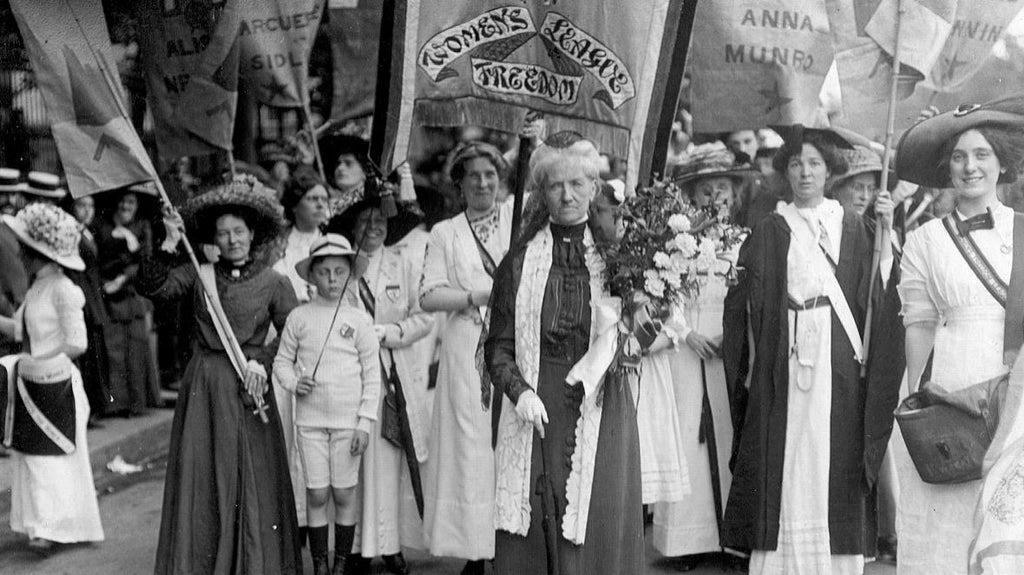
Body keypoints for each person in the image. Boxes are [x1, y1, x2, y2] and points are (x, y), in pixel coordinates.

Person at [721, 125, 903, 574]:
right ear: (786, 171)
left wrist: (886, 233)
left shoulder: (854, 226)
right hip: (785, 350)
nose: (805, 172)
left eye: (815, 164)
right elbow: (743, 302)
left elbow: (878, 292)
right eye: (796, 163)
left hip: (839, 355)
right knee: (786, 451)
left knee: (834, 450)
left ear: (829, 171)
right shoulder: (770, 229)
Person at [485, 139, 644, 574]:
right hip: (540, 400)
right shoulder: (519, 263)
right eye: (556, 186)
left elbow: (645, 332)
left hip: (601, 401)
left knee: (596, 516)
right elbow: (498, 346)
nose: (567, 195)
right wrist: (519, 393)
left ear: (594, 187)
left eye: (577, 183)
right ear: (542, 194)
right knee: (537, 518)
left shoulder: (620, 259)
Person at [140, 176, 302, 575]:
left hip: (250, 385)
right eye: (223, 233)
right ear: (214, 238)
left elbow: (295, 332)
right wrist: (169, 241)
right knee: (206, 473)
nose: (232, 240)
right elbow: (154, 288)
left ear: (253, 235)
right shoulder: (200, 274)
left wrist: (261, 361)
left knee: (251, 474)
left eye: (239, 232)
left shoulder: (274, 282)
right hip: (206, 385)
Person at [890, 99, 1024, 574]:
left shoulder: (1022, 230)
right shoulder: (925, 239)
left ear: (1002, 161)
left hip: (1014, 386)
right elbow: (919, 323)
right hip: (951, 386)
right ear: (947, 167)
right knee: (946, 514)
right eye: (960, 157)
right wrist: (918, 401)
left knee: (1006, 519)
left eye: (982, 154)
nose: (970, 167)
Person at [652, 144, 754, 571]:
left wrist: (730, 336)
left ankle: (730, 540)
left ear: (734, 194)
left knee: (731, 433)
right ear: (692, 197)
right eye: (706, 190)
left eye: (723, 189)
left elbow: (751, 300)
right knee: (686, 438)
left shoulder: (745, 242)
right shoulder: (677, 243)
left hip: (729, 348)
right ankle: (685, 542)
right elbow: (661, 295)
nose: (715, 198)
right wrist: (686, 332)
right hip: (687, 346)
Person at [420, 141, 513, 575]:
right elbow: (428, 294)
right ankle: (477, 550)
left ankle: (511, 545)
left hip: (515, 345)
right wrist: (475, 295)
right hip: (465, 348)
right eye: (473, 175)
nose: (483, 182)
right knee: (472, 447)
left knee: (511, 440)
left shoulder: (517, 219)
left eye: (490, 174)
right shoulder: (445, 233)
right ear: (459, 183)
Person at [330, 195, 435, 574]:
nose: (373, 228)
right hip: (351, 375)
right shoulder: (342, 268)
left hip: (393, 373)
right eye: (365, 222)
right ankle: (355, 545)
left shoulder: (403, 263)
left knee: (389, 460)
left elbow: (424, 318)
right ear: (352, 227)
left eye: (380, 222)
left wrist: (389, 332)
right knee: (353, 460)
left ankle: (389, 544)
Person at [0, 202, 104, 551]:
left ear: (37, 254)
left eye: (24, 251)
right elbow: (21, 331)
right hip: (32, 382)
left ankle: (56, 528)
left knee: (51, 459)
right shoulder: (35, 289)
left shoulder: (64, 289)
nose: (20, 258)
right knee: (32, 457)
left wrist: (34, 361)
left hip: (56, 385)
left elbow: (77, 343)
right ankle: (41, 526)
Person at [273, 233, 379, 575]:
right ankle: (319, 564)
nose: (332, 279)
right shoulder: (299, 318)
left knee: (345, 493)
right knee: (317, 494)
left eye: (339, 271)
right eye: (324, 272)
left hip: (348, 422)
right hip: (310, 422)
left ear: (349, 273)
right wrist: (293, 382)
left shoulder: (359, 320)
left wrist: (364, 422)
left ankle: (340, 564)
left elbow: (372, 376)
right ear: (311, 275)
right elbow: (281, 363)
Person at [271, 165, 331, 547]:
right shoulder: (281, 248)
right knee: (291, 437)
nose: (321, 206)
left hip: (328, 353)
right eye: (313, 199)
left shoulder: (334, 241)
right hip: (291, 353)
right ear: (295, 205)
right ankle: (295, 523)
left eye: (324, 199)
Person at [95, 188, 160, 416]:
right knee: (114, 349)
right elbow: (99, 259)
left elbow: (146, 260)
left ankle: (136, 402)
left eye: (130, 202)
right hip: (108, 294)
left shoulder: (142, 227)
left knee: (135, 347)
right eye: (122, 201)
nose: (125, 206)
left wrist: (123, 278)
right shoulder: (102, 227)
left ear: (137, 205)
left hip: (132, 293)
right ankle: (116, 404)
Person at [64, 195, 112, 426]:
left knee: (94, 357)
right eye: (82, 205)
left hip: (93, 297)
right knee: (85, 358)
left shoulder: (87, 232)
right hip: (84, 298)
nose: (87, 210)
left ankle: (91, 409)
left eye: (90, 206)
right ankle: (83, 412)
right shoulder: (72, 233)